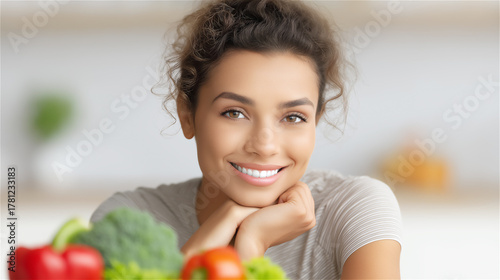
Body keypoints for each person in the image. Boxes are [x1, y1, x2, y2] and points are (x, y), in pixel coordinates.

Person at [90, 0, 403, 279]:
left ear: (315, 121)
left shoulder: (354, 208)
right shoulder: (129, 222)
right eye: (235, 113)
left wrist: (252, 241)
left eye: (293, 117)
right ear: (187, 115)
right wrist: (220, 242)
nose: (265, 145)